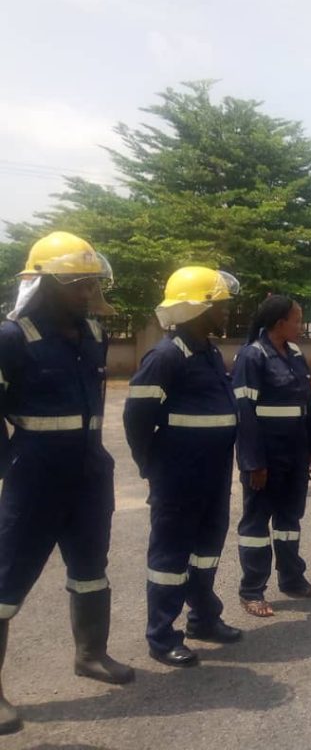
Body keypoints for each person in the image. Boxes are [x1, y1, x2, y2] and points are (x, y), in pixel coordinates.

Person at [0, 233, 132, 734]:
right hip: (34, 474)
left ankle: (90, 655)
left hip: (88, 472)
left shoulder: (94, 333)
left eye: (90, 284)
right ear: (44, 285)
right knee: (6, 580)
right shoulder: (12, 337)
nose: (85, 294)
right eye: (76, 285)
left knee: (91, 568)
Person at [125, 266, 243, 667]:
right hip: (178, 478)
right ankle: (161, 637)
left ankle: (204, 619)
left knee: (206, 552)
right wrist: (152, 467)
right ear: (197, 308)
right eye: (220, 305)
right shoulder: (165, 356)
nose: (226, 312)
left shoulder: (208, 352)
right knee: (170, 559)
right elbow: (136, 419)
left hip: (213, 476)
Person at [233, 295, 311, 618]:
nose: (301, 326)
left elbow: (308, 402)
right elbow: (244, 413)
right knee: (257, 524)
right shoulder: (252, 357)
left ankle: (291, 578)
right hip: (266, 458)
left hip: (295, 454)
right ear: (279, 323)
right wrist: (253, 462)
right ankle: (252, 590)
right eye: (297, 320)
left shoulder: (296, 353)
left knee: (289, 521)